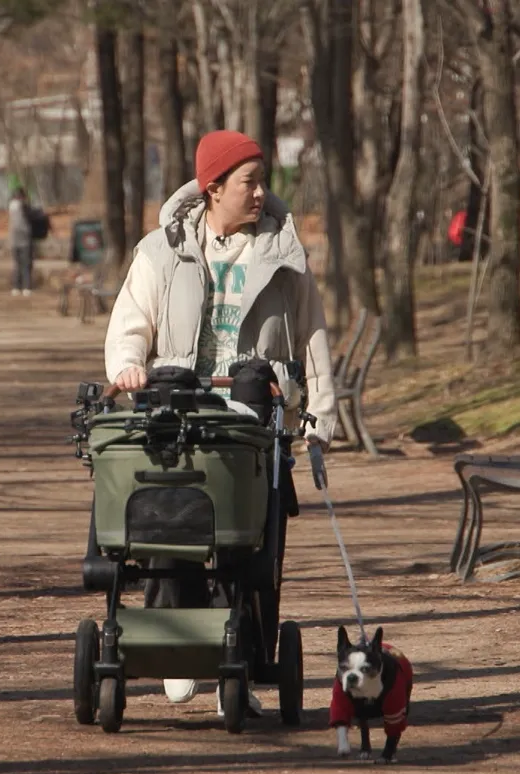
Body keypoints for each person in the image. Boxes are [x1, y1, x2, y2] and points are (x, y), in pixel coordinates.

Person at [102, 129, 339, 714]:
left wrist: (319, 417)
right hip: (177, 414)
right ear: (212, 189)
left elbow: (311, 334)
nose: (261, 193)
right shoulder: (162, 250)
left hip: (252, 422)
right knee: (170, 531)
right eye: (248, 183)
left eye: (263, 182)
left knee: (250, 552)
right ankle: (176, 647)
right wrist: (130, 368)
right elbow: (131, 323)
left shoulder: (284, 252)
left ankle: (241, 658)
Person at [8, 186, 34, 296]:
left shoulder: (11, 207)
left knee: (17, 264)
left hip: (13, 240)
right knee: (26, 264)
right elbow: (32, 217)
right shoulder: (23, 206)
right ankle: (26, 287)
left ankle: (16, 287)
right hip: (24, 240)